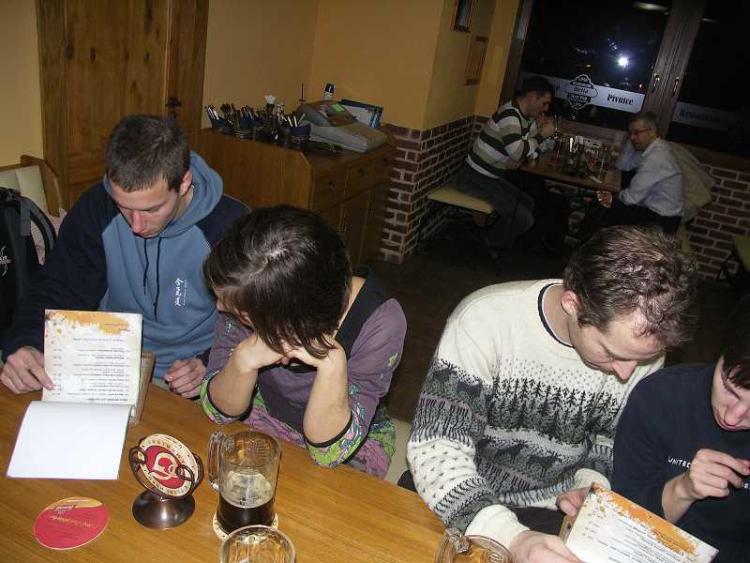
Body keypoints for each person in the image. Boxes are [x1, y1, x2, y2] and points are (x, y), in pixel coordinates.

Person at [407, 225, 698, 563]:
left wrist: (590, 485)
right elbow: (436, 449)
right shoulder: (486, 319)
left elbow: (610, 440)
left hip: (551, 510)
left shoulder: (639, 351)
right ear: (572, 304)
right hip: (454, 493)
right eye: (611, 353)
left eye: (642, 360)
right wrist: (511, 537)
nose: (626, 373)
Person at [1, 115, 248, 397]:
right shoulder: (98, 207)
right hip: (108, 362)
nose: (136, 226)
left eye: (151, 210)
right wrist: (27, 341)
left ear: (183, 183)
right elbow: (58, 285)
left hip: (192, 373)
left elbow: (252, 321)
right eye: (124, 207)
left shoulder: (230, 227)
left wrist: (210, 361)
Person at [199, 206, 406, 478]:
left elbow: (329, 452)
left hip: (352, 437)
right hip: (265, 412)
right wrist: (242, 360)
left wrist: (332, 364)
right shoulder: (247, 288)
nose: (219, 307)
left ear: (291, 319)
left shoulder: (381, 321)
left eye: (242, 315)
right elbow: (219, 412)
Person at [612, 298, 750, 562]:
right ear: (720, 354)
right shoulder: (661, 396)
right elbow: (624, 521)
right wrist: (683, 489)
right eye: (728, 388)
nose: (732, 417)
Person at [454, 75, 568, 251]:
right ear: (532, 96)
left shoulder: (527, 118)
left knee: (528, 203)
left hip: (492, 175)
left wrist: (536, 135)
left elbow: (529, 153)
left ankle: (494, 238)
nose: (545, 108)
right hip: (474, 176)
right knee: (524, 218)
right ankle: (489, 245)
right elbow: (519, 152)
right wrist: (541, 135)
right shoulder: (510, 114)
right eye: (544, 103)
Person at [597, 111, 683, 234]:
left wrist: (613, 197)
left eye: (636, 133)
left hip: (662, 222)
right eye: (630, 133)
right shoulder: (651, 149)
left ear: (652, 131)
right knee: (604, 204)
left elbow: (631, 198)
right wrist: (631, 143)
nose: (632, 137)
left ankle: (589, 240)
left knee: (604, 205)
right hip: (654, 212)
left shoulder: (657, 157)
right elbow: (622, 166)